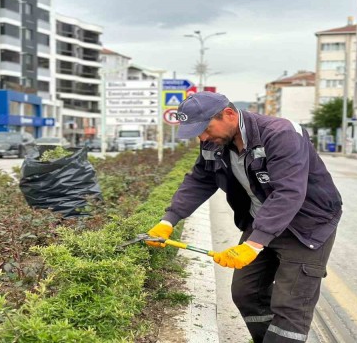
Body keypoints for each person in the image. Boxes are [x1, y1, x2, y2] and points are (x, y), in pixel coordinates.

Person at [146, 92, 342, 343]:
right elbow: (200, 179)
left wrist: (254, 243)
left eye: (205, 128)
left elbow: (289, 192)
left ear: (229, 114)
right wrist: (168, 221)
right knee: (247, 292)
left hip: (306, 226)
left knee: (290, 306)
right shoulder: (213, 142)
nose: (203, 137)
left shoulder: (280, 134)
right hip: (262, 220)